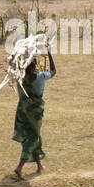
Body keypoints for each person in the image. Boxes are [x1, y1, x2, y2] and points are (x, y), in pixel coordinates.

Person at [12, 46, 56, 180]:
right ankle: (19, 167)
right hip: (35, 113)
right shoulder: (40, 77)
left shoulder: (21, 79)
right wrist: (49, 53)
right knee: (33, 138)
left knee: (34, 135)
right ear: (35, 66)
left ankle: (39, 165)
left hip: (23, 111)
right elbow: (53, 71)